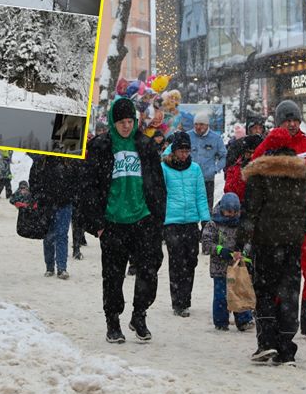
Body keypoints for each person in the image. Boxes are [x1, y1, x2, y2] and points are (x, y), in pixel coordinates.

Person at [77, 98, 167, 344]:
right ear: (113, 122)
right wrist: (97, 223)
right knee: (113, 276)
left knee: (149, 269)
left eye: (130, 121)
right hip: (113, 221)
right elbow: (89, 187)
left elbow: (158, 185)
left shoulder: (146, 145)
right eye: (121, 122)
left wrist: (157, 218)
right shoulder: (101, 146)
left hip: (143, 219)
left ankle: (139, 314)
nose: (126, 126)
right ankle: (113, 320)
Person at [252, 100, 306, 341]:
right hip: (278, 223)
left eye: (295, 120)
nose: (292, 124)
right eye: (288, 120)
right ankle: (278, 321)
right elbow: (254, 175)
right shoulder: (268, 146)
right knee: (280, 273)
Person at [237, 146, 306, 366]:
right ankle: (286, 348)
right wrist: (297, 234)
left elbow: (250, 211)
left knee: (265, 291)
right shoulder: (299, 176)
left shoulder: (260, 175)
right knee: (289, 293)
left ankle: (266, 341)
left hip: (266, 243)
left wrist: (242, 242)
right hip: (292, 243)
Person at [160, 131, 210, 317]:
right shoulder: (164, 168)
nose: (184, 154)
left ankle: (186, 298)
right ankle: (178, 302)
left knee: (191, 260)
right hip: (171, 222)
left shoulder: (195, 169)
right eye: (181, 150)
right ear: (173, 150)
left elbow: (200, 195)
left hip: (191, 221)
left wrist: (205, 220)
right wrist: (160, 220)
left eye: (187, 150)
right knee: (177, 261)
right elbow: (161, 196)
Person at [201, 193, 253, 332]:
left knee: (239, 292)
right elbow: (206, 244)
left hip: (237, 267)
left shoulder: (242, 224)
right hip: (220, 268)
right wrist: (220, 250)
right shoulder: (213, 224)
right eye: (229, 211)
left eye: (235, 212)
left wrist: (244, 253)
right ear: (222, 209)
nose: (232, 215)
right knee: (221, 296)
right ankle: (220, 321)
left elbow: (249, 241)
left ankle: (244, 320)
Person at [29, 155, 78, 279]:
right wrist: (40, 196)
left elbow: (76, 180)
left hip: (64, 203)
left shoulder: (69, 160)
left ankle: (62, 268)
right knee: (49, 236)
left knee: (62, 235)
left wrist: (71, 195)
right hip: (46, 204)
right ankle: (50, 266)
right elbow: (33, 181)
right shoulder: (40, 161)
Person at [189, 111, 225, 212]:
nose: (198, 127)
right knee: (190, 209)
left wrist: (216, 168)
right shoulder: (188, 136)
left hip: (207, 179)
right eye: (196, 124)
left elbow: (223, 156)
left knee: (207, 210)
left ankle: (206, 226)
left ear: (207, 125)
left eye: (201, 124)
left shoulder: (216, 138)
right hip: (190, 179)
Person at [223, 134, 262, 203]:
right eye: (248, 153)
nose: (251, 156)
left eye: (254, 153)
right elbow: (228, 189)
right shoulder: (236, 167)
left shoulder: (264, 169)